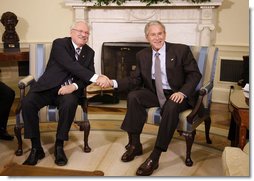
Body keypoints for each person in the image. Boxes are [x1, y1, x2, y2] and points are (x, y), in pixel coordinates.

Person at [100, 20, 202, 176]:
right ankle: (135, 145)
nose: (157, 37)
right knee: (134, 96)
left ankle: (155, 156)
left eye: (160, 33)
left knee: (171, 105)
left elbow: (195, 74)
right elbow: (135, 80)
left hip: (178, 94)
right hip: (156, 93)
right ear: (147, 37)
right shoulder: (142, 55)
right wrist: (112, 82)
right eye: (153, 34)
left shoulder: (181, 50)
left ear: (165, 34)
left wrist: (182, 92)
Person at [21, 20, 110, 166]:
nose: (84, 34)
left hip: (68, 92)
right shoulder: (60, 44)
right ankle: (36, 148)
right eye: (80, 31)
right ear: (71, 32)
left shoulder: (89, 52)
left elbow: (86, 78)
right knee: (27, 102)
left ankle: (59, 145)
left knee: (70, 103)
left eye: (87, 32)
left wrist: (74, 86)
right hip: (47, 88)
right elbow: (71, 65)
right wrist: (97, 78)